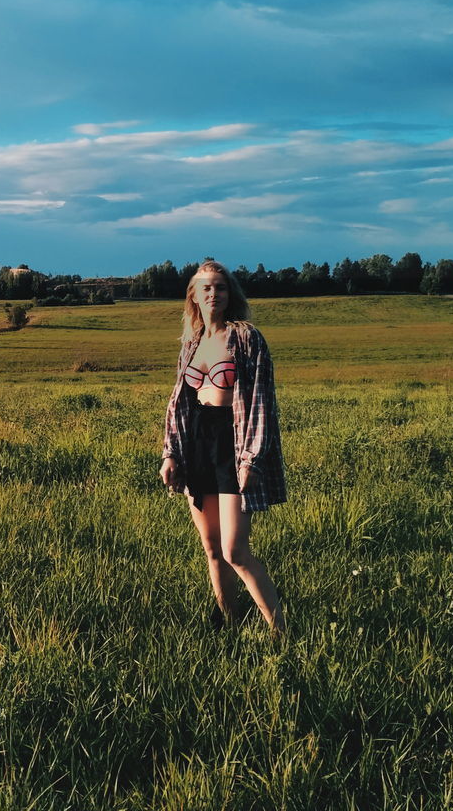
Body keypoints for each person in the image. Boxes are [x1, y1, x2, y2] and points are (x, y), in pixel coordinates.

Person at [159, 261, 287, 634]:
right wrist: (171, 452)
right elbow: (178, 402)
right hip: (197, 443)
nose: (214, 294)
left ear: (231, 295)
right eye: (206, 288)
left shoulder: (246, 337)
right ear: (194, 297)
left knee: (235, 551)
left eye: (221, 287)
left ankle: (281, 632)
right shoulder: (191, 343)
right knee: (212, 548)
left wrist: (251, 458)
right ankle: (228, 624)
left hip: (234, 442)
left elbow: (262, 400)